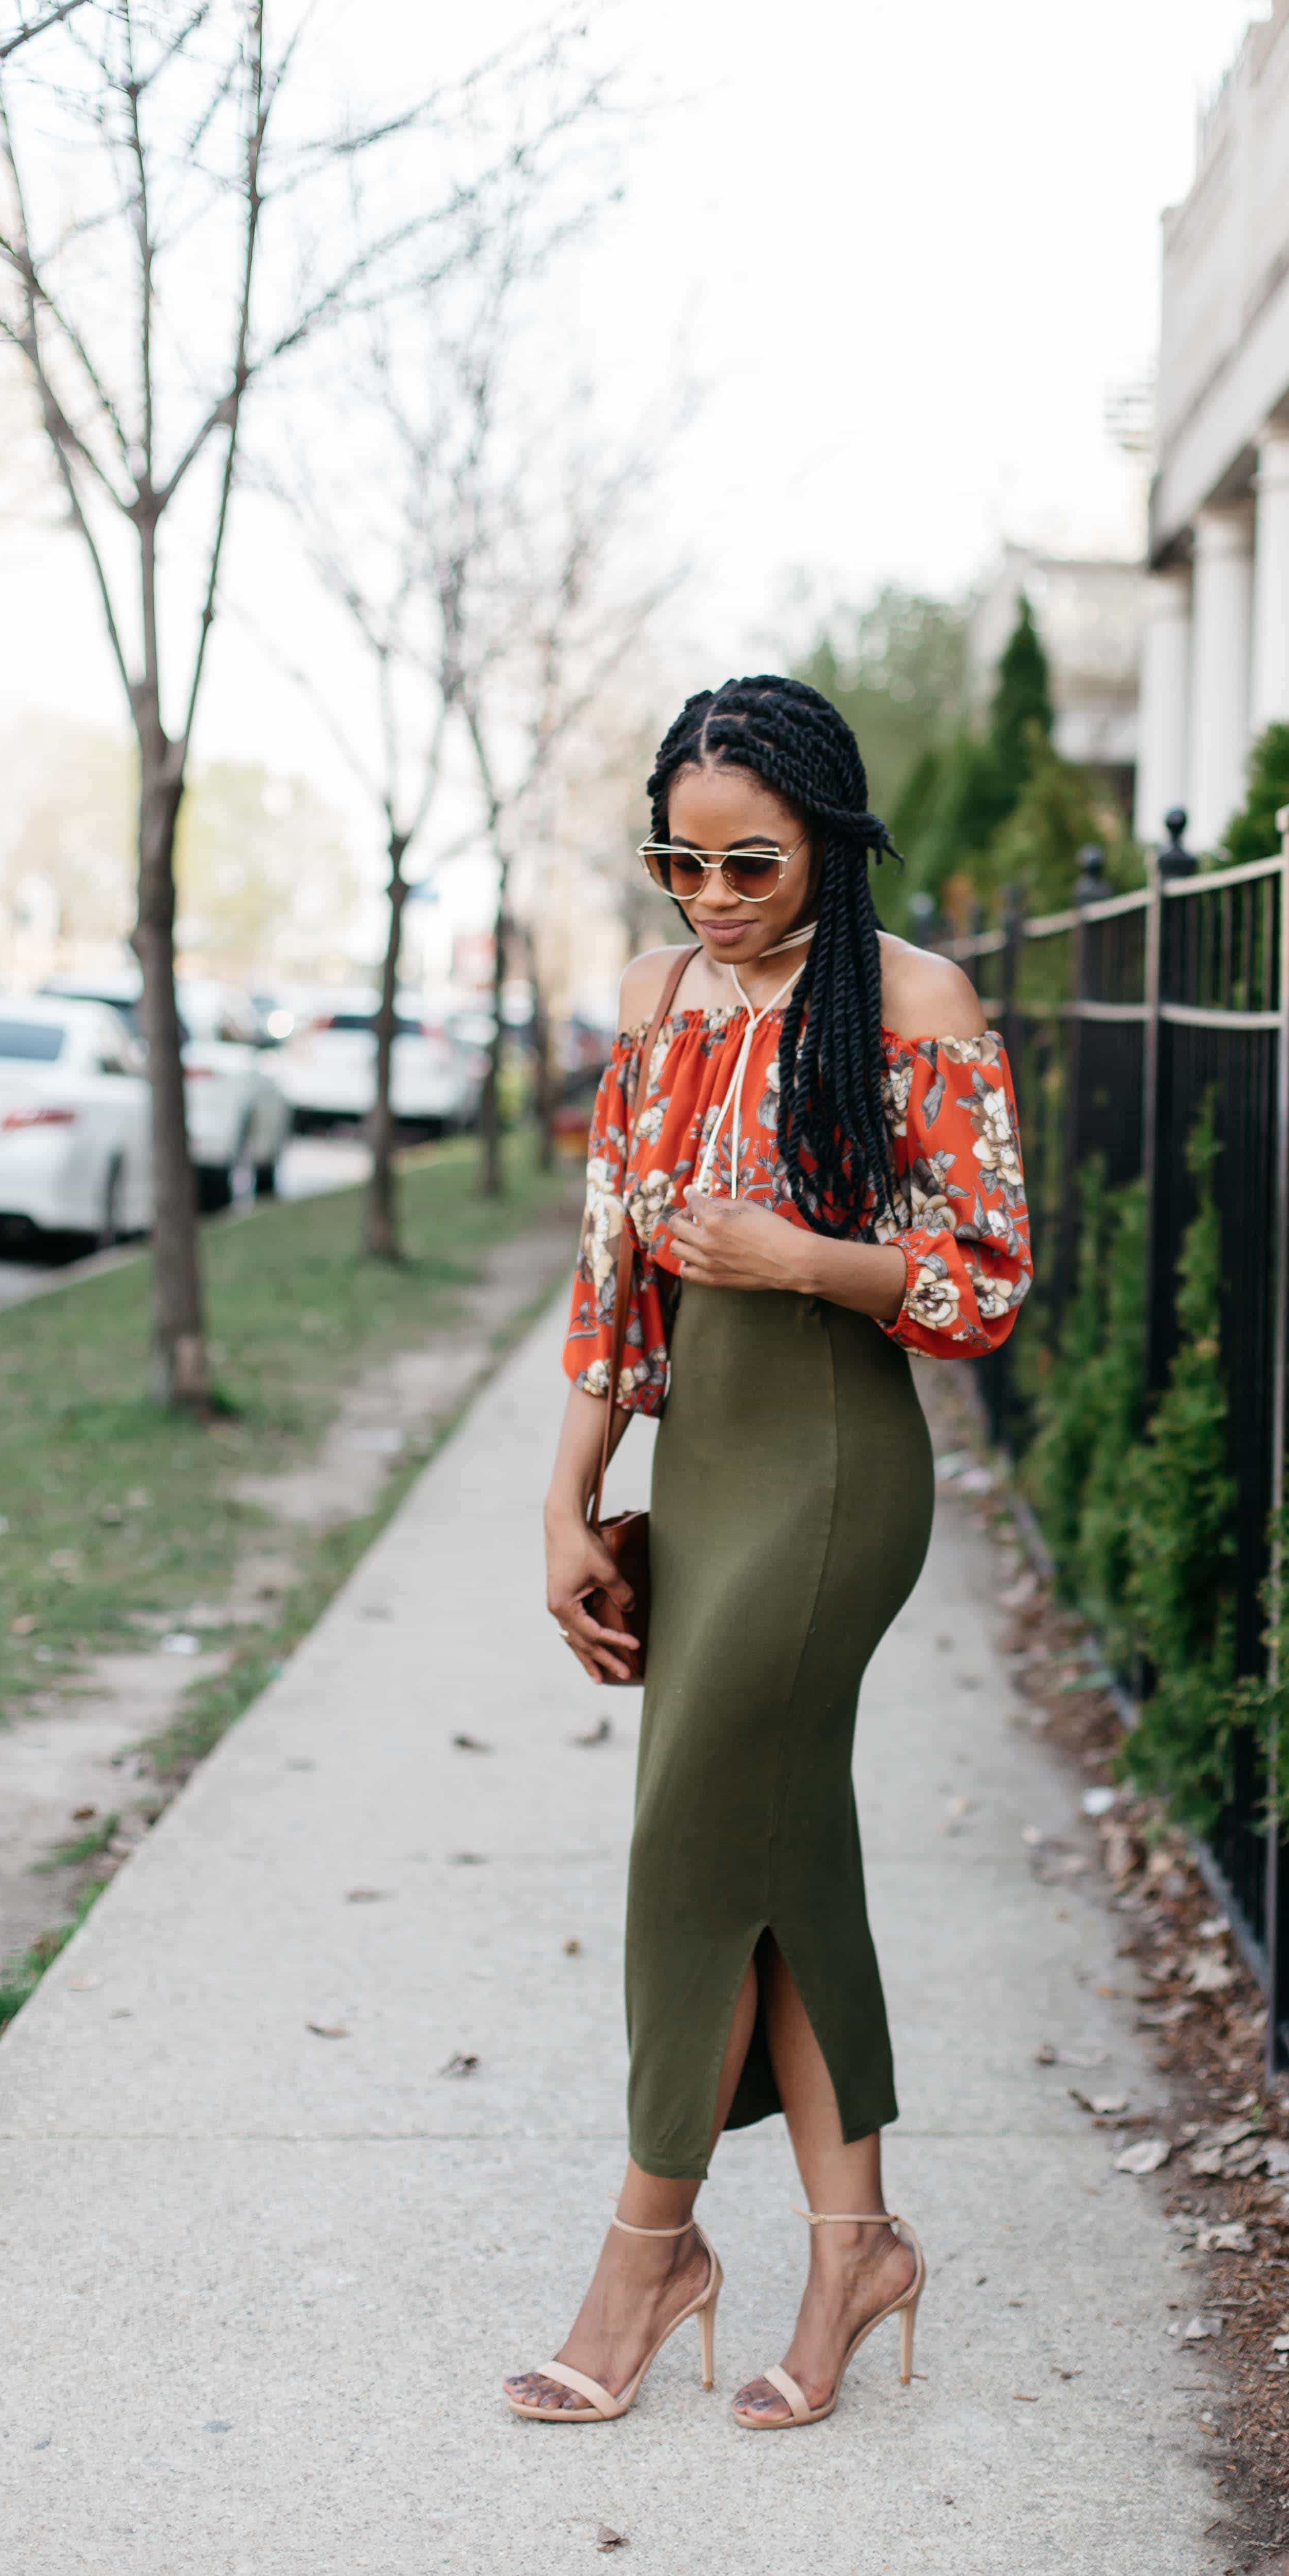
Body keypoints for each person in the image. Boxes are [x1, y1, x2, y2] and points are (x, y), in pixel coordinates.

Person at [504, 674, 1031, 2432]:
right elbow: (612, 1279)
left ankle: (648, 2251)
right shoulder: (657, 1003)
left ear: (829, 841)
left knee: (687, 1834)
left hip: (832, 1455)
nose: (716, 899)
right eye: (686, 864)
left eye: (754, 864)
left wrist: (804, 1256)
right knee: (784, 1854)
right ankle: (854, 2242)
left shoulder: (914, 1002)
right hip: (703, 1459)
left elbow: (987, 1280)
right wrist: (573, 1497)